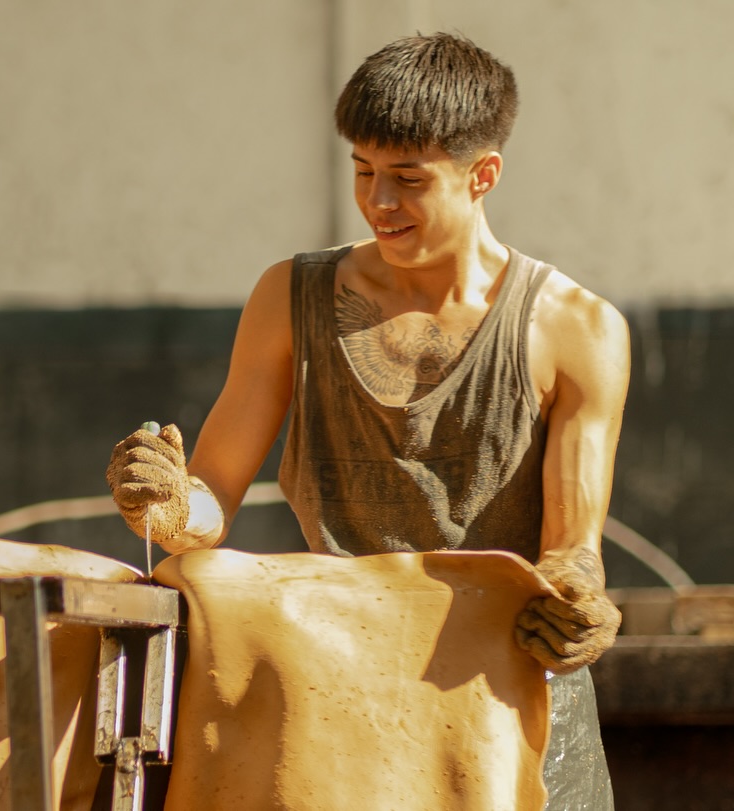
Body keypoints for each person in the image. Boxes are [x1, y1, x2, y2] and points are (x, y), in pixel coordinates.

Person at [106, 33, 624, 808]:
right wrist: (169, 503)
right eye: (364, 172)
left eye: (407, 180)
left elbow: (573, 553)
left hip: (509, 690)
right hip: (335, 686)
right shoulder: (289, 296)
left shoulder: (575, 326)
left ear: (483, 175)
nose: (379, 202)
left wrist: (582, 605)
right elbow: (211, 496)